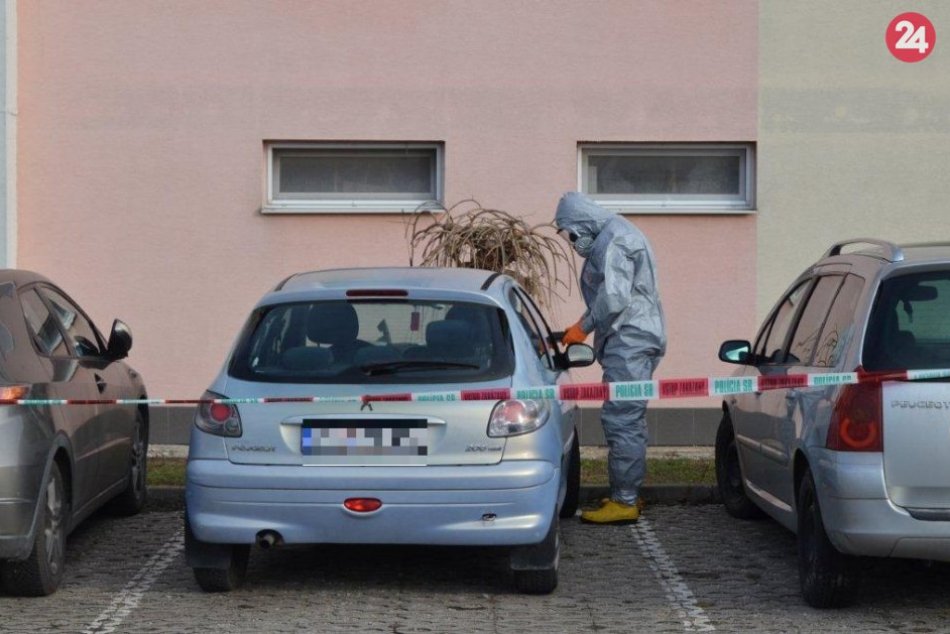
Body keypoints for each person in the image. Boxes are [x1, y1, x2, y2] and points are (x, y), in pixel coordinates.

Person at [555, 192, 666, 524]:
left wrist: (582, 326)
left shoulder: (615, 240)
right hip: (633, 337)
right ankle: (626, 492)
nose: (573, 242)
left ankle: (625, 501)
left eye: (571, 233)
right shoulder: (617, 234)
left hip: (630, 340)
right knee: (628, 418)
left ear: (584, 222)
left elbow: (614, 298)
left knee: (622, 420)